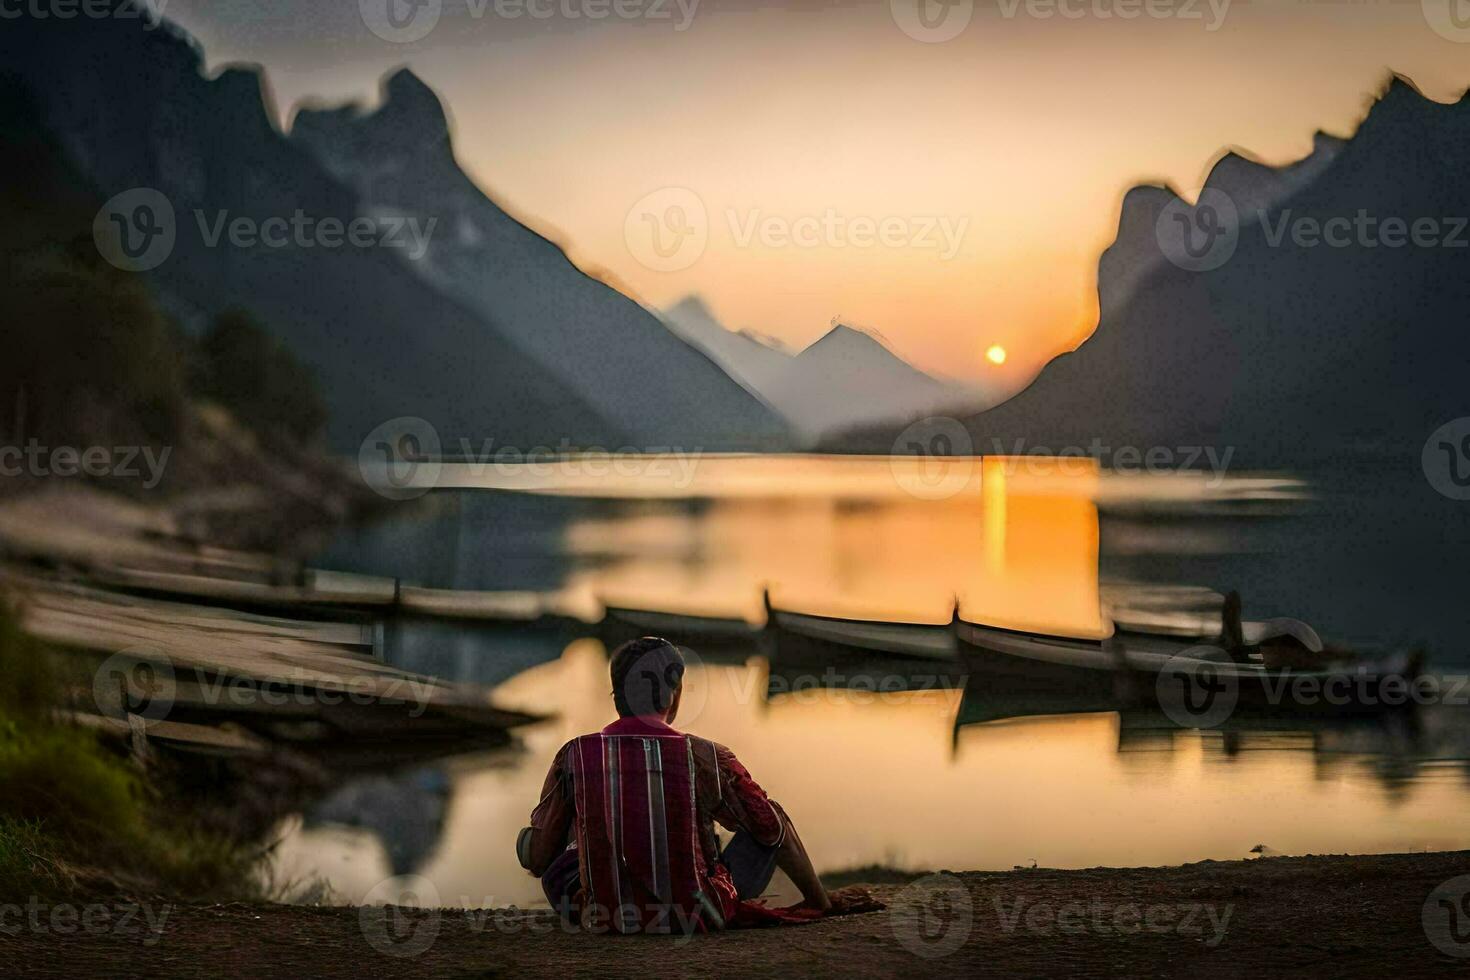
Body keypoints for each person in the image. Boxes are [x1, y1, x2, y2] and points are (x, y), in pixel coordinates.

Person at [516, 636, 831, 934]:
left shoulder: (575, 756)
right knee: (770, 816)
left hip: (606, 917)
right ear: (675, 694)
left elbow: (538, 859)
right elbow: (768, 829)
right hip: (698, 914)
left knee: (573, 828)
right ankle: (819, 900)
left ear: (616, 697)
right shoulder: (706, 756)